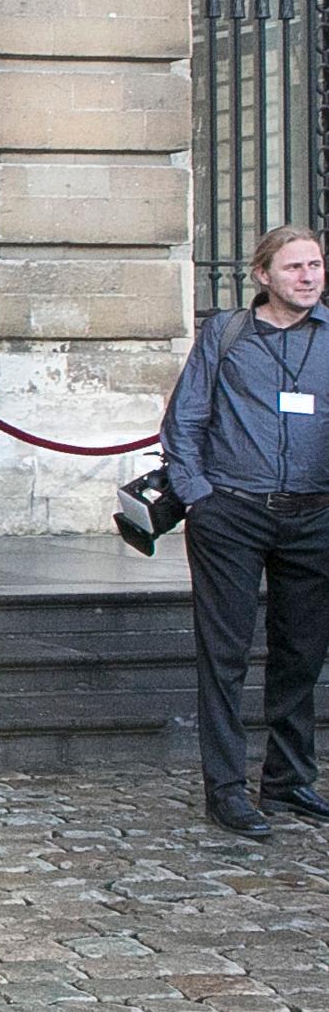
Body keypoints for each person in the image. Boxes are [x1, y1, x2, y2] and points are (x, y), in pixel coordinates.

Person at [162, 224, 329, 838]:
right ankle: (227, 791)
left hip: (315, 515)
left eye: (315, 265)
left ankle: (287, 781)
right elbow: (184, 421)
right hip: (231, 511)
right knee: (225, 656)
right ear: (263, 275)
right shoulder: (226, 335)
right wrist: (200, 499)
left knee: (302, 654)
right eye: (294, 268)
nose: (308, 277)